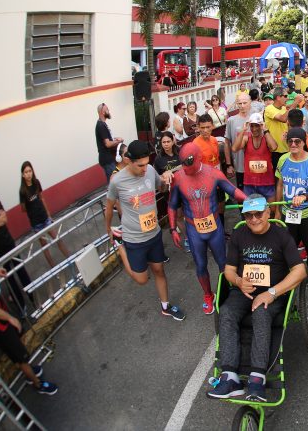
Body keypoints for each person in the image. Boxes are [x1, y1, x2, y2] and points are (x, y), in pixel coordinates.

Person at [207, 195, 307, 400]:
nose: (253, 219)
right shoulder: (238, 234)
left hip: (273, 293)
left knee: (260, 313)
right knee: (225, 311)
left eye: (258, 214)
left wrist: (271, 293)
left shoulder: (281, 235)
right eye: (248, 215)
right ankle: (230, 377)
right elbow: (229, 270)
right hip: (243, 291)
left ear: (268, 212)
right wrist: (237, 281)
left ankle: (257, 377)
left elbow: (300, 270)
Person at [104, 141, 185, 320]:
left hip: (154, 233)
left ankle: (166, 306)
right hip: (133, 238)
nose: (144, 168)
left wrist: (166, 178)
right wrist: (108, 229)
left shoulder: (149, 170)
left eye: (146, 163)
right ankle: (120, 245)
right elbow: (109, 207)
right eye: (140, 165)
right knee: (142, 280)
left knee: (159, 270)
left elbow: (161, 188)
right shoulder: (117, 181)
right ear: (128, 160)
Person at [168, 142, 246, 314]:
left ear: (198, 158)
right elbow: (172, 205)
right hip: (193, 228)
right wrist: (173, 229)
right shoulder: (179, 178)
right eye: (183, 164)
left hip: (214, 226)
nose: (186, 168)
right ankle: (208, 295)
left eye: (189, 163)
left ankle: (227, 290)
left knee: (223, 262)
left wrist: (249, 200)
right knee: (201, 265)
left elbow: (232, 191)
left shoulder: (213, 173)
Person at [0, 256, 58, 395]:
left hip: (1, 312)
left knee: (19, 348)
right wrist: (9, 318)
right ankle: (38, 384)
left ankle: (28, 370)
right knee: (20, 357)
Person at [275, 128, 308, 285]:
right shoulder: (283, 159)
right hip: (287, 213)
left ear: (304, 142)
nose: (293, 144)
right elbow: (280, 185)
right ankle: (291, 271)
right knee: (287, 246)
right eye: (290, 141)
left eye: (297, 141)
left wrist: (304, 197)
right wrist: (277, 211)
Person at [0, 180, 33, 311]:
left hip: (9, 243)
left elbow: (5, 219)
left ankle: (33, 296)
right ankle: (22, 306)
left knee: (21, 270)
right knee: (9, 278)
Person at [19, 161, 70, 267]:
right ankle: (54, 269)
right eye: (26, 172)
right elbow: (23, 209)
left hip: (45, 218)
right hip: (36, 223)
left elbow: (42, 198)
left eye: (30, 171)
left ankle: (71, 259)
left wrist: (48, 215)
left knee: (57, 239)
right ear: (23, 175)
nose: (28, 174)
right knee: (45, 247)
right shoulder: (22, 191)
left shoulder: (36, 182)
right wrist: (30, 203)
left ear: (32, 171)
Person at [232, 113, 278, 199]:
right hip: (250, 183)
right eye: (252, 126)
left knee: (271, 210)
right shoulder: (247, 138)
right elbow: (234, 149)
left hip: (266, 182)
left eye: (257, 126)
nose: (254, 129)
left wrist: (265, 130)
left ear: (261, 125)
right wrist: (243, 131)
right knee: (251, 211)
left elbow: (274, 147)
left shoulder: (266, 137)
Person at [265, 88, 303, 170]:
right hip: (275, 150)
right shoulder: (269, 108)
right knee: (277, 177)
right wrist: (296, 102)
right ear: (278, 97)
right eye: (285, 96)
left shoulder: (283, 108)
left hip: (286, 148)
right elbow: (283, 119)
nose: (287, 98)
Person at [95, 103, 124, 182]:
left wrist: (115, 140)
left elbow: (107, 141)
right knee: (113, 182)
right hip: (107, 159)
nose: (109, 111)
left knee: (115, 181)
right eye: (107, 109)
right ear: (103, 112)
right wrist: (119, 141)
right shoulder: (101, 126)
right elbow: (107, 144)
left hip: (108, 158)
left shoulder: (102, 124)